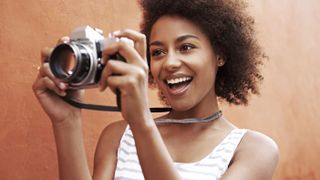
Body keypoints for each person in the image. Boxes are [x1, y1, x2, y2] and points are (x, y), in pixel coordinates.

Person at [32, 0, 279, 179]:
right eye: (157, 52)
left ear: (220, 54)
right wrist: (67, 122)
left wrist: (141, 123)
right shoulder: (118, 137)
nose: (169, 63)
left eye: (186, 47)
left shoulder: (253, 150)